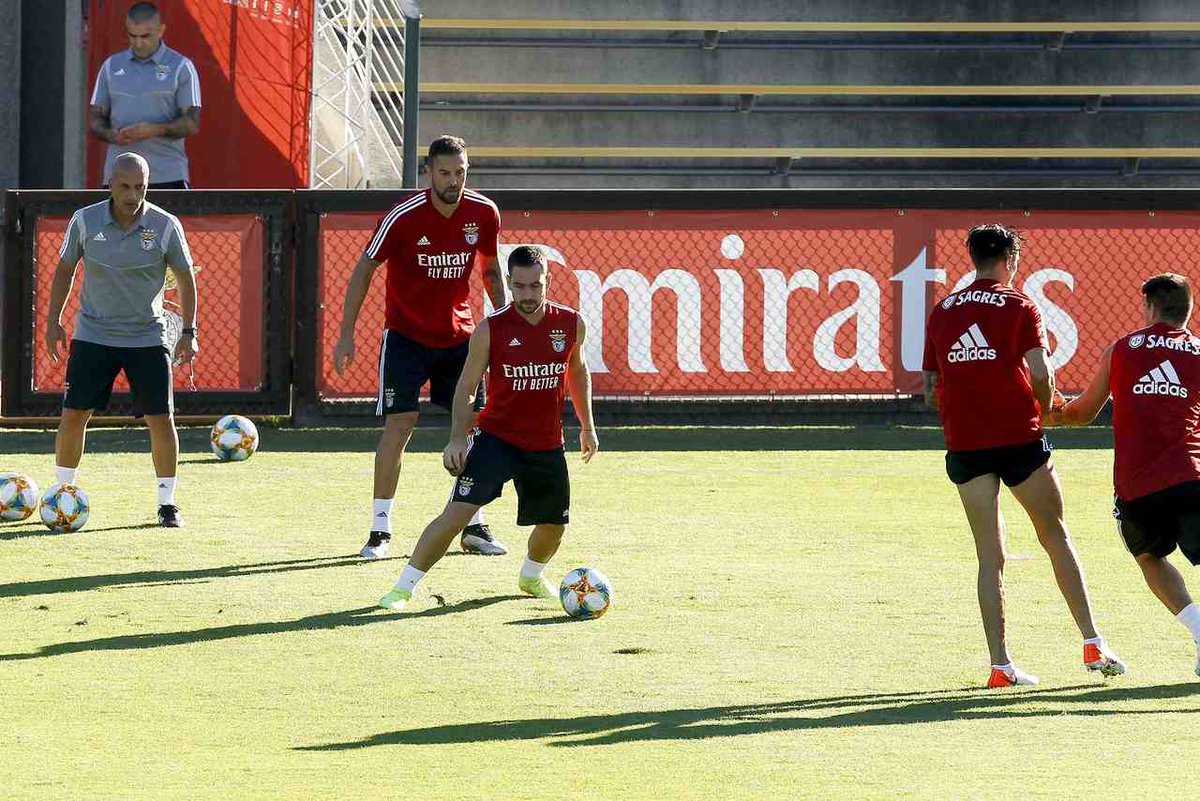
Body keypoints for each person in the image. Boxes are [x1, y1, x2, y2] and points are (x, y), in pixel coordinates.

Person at [922, 223, 1124, 687]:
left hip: (966, 444)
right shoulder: (1019, 304)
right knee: (1055, 536)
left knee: (988, 556)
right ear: (1011, 259)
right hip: (1018, 438)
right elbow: (1041, 370)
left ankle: (1000, 667)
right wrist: (1046, 406)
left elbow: (931, 388)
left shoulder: (943, 311)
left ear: (973, 258)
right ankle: (1093, 644)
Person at [379, 245, 598, 611]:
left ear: (548, 283)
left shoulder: (570, 323)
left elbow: (578, 370)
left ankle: (530, 576)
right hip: (496, 439)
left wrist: (587, 426)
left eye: (536, 286)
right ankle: (403, 589)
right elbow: (465, 388)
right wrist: (456, 439)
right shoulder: (491, 329)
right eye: (521, 286)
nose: (529, 295)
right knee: (456, 514)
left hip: (545, 443)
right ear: (509, 284)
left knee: (554, 526)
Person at [333, 136, 508, 559]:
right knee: (400, 425)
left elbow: (491, 272)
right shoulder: (402, 216)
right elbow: (364, 270)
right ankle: (380, 529)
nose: (454, 181)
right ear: (428, 171)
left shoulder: (484, 212)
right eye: (445, 172)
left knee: (472, 429)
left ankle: (474, 525)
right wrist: (346, 333)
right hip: (406, 338)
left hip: (460, 338)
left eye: (461, 172)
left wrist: (503, 325)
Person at [1048, 274, 1200, 677]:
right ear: (1189, 310)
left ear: (1149, 308)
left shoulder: (1121, 350)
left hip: (1136, 486)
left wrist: (1042, 414)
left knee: (1150, 556)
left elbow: (1080, 414)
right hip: (1192, 477)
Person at [47, 152, 198, 527]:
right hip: (93, 335)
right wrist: (54, 321)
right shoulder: (85, 220)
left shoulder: (165, 225)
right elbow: (65, 269)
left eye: (141, 187)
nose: (133, 195)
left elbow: (185, 277)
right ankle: (64, 494)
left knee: (161, 419)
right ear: (110, 184)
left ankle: (167, 504)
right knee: (73, 415)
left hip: (147, 336)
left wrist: (190, 333)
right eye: (126, 186)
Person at [89, 2, 201, 189]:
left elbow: (192, 122)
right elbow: (95, 119)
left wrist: (153, 130)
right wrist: (112, 135)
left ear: (161, 30)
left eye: (145, 36)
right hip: (119, 177)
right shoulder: (110, 67)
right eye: (133, 36)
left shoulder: (181, 67)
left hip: (167, 175)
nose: (139, 43)